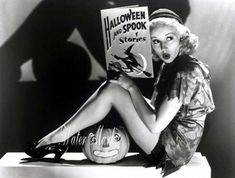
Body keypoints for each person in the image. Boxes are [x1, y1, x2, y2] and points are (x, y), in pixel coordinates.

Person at [25, 8, 215, 176]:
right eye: (155, 41)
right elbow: (158, 109)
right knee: (114, 87)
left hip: (169, 151)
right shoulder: (172, 65)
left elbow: (155, 125)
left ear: (182, 38)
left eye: (169, 38)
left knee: (116, 89)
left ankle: (56, 139)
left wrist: (131, 87)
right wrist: (126, 85)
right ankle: (58, 138)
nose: (163, 47)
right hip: (166, 135)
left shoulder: (186, 73)